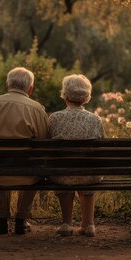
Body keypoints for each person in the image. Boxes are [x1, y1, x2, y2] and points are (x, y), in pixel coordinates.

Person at [0, 67, 49, 235]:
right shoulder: (37, 109)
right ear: (30, 88)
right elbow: (45, 144)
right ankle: (21, 219)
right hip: (27, 174)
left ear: (7, 85)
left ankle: (1, 218)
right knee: (36, 169)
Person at [49, 74, 105, 237]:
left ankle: (66, 224)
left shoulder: (55, 118)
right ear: (86, 97)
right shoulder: (95, 120)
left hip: (61, 175)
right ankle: (88, 225)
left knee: (66, 170)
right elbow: (102, 146)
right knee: (86, 171)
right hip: (89, 175)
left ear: (64, 95)